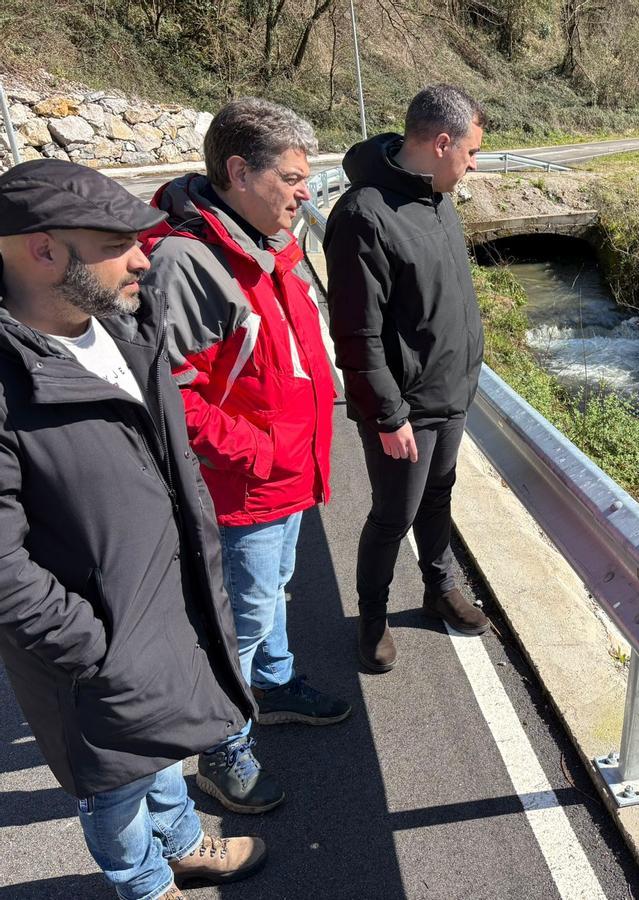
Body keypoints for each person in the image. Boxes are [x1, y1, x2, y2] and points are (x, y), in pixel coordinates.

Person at [0, 159, 266, 900]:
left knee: (162, 752)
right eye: (119, 241)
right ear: (44, 250)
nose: (144, 255)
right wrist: (94, 649)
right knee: (114, 780)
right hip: (98, 651)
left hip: (165, 616)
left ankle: (182, 846)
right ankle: (146, 885)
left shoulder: (123, 330)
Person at [138, 98, 347, 816]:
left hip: (287, 470)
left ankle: (276, 684)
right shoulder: (188, 261)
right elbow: (172, 394)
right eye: (292, 178)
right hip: (247, 483)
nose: (305, 193)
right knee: (239, 620)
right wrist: (260, 454)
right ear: (237, 172)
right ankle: (221, 753)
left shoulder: (264, 238)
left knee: (272, 592)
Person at [324, 84, 490, 673]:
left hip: (452, 391)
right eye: (470, 153)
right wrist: (387, 415)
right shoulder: (364, 215)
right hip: (405, 406)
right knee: (393, 515)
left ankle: (438, 588)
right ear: (441, 143)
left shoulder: (438, 199)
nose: (472, 166)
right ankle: (371, 619)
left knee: (439, 496)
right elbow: (356, 333)